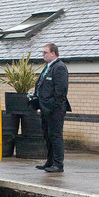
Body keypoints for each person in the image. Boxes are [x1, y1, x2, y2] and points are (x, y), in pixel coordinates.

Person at [34, 43, 70, 172]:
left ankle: (58, 164)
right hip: (45, 109)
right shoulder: (48, 67)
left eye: (45, 52)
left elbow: (61, 91)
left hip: (55, 109)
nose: (43, 55)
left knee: (55, 136)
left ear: (53, 53)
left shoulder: (59, 68)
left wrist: (50, 104)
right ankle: (49, 162)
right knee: (47, 135)